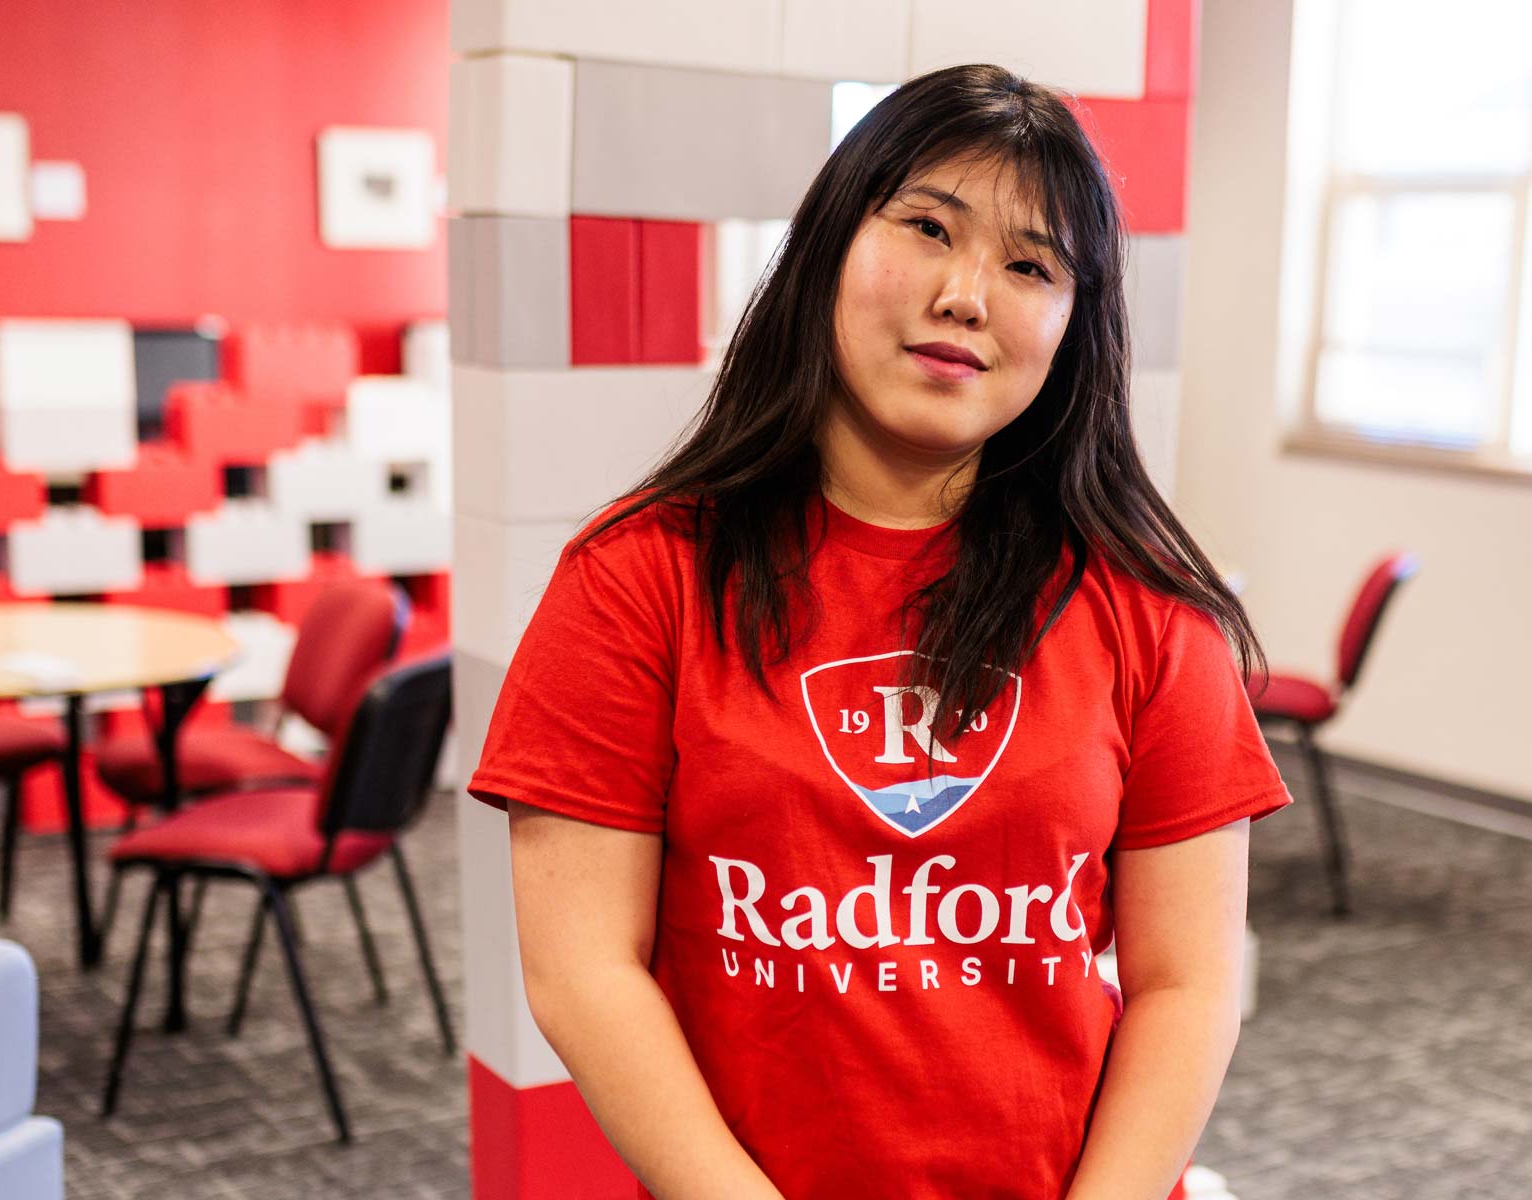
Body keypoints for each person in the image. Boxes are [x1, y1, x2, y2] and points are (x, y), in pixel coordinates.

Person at [466, 62, 1292, 1200]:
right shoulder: (637, 579)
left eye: (1029, 266)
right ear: (827, 252)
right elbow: (582, 971)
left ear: (1073, 324)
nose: (966, 295)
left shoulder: (1144, 607)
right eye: (927, 226)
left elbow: (1185, 985)